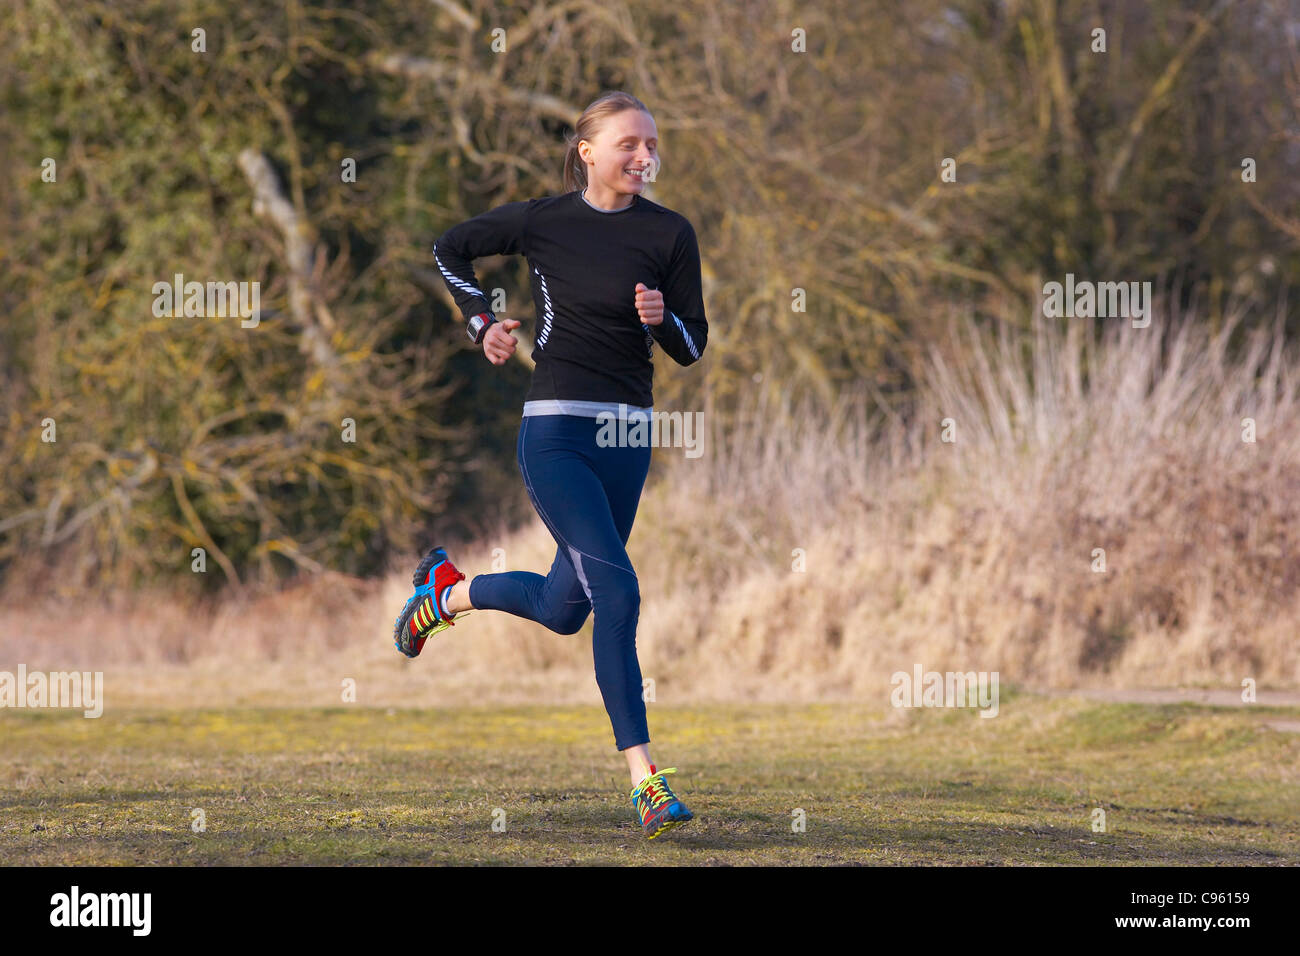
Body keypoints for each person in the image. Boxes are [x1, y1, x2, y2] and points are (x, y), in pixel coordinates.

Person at [391, 91, 708, 840]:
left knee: (568, 609)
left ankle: (446, 593)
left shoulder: (671, 233)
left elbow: (695, 347)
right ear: (588, 150)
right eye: (629, 143)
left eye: (652, 144)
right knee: (619, 592)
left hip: (628, 438)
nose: (644, 156)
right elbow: (449, 247)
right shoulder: (545, 221)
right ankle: (648, 783)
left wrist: (663, 322)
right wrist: (481, 323)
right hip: (556, 431)